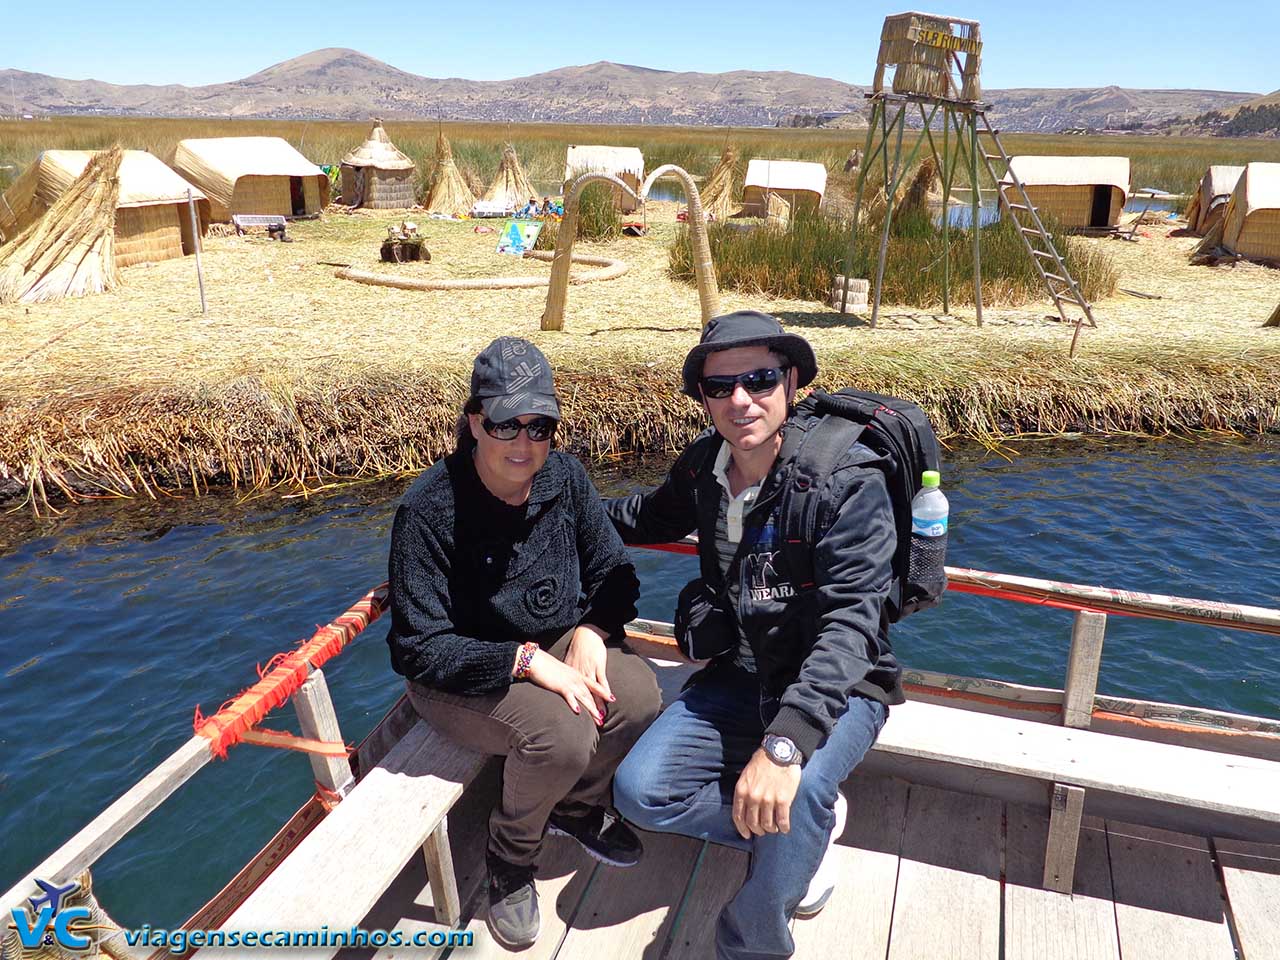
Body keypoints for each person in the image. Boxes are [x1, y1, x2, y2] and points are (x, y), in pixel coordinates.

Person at [604, 311, 903, 960]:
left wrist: (786, 748)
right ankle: (803, 835)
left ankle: (753, 942)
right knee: (638, 792)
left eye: (760, 379)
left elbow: (854, 626)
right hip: (738, 674)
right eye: (720, 387)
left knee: (798, 791)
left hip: (840, 686)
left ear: (791, 381)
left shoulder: (848, 480)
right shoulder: (703, 466)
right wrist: (558, 512)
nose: (740, 400)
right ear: (704, 398)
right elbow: (646, 516)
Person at [386, 336, 662, 950]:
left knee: (639, 694)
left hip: (553, 639)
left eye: (540, 426)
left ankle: (573, 805)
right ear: (475, 423)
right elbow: (418, 648)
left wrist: (591, 630)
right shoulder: (429, 510)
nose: (524, 442)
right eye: (506, 423)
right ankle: (511, 860)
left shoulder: (564, 479)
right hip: (459, 670)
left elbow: (614, 568)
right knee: (561, 734)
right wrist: (527, 661)